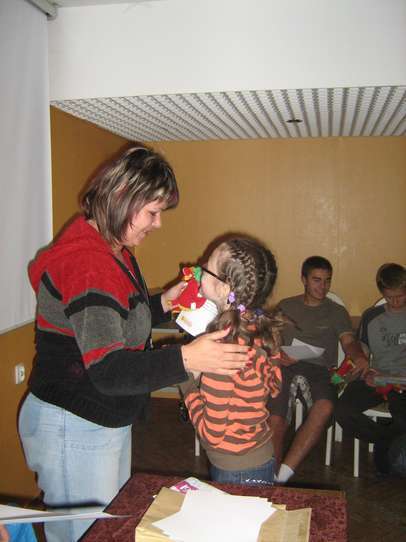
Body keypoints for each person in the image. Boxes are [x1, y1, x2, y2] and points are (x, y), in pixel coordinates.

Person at [18, 144, 250, 542]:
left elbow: (116, 320)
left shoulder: (111, 250)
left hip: (98, 416)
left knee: (107, 528)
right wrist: (187, 359)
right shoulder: (88, 263)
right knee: (86, 535)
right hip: (74, 422)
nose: (158, 224)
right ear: (123, 197)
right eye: (153, 212)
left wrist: (162, 303)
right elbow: (109, 370)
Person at [179, 237, 285, 485]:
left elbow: (212, 434)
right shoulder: (259, 328)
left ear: (225, 289)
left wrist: (187, 382)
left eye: (206, 267)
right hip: (258, 456)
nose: (200, 267)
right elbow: (273, 385)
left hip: (235, 470)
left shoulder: (223, 352)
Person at [268, 256, 369, 483]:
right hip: (286, 366)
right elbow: (271, 340)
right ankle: (270, 476)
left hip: (321, 370)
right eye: (316, 280)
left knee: (325, 407)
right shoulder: (286, 306)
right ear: (304, 279)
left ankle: (282, 476)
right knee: (276, 418)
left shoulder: (336, 311)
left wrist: (359, 356)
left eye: (327, 281)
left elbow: (348, 341)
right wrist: (277, 355)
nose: (322, 287)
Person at [335, 263, 406, 475]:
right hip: (378, 377)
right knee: (343, 410)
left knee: (402, 416)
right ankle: (387, 441)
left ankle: (387, 455)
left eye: (400, 296)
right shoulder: (371, 316)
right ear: (382, 292)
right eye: (390, 297)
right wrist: (365, 370)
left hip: (403, 382)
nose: (395, 302)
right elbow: (363, 350)